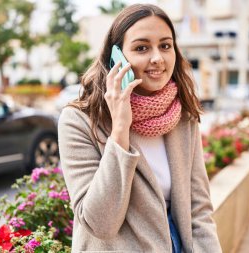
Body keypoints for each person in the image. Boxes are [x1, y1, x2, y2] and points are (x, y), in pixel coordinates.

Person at [58, 4, 222, 253]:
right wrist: (120, 129)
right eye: (141, 48)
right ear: (116, 58)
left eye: (165, 46)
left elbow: (198, 209)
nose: (157, 58)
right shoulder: (78, 120)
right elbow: (100, 224)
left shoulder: (182, 116)